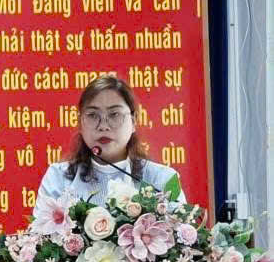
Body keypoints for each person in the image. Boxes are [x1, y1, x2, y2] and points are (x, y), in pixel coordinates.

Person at [33, 75, 182, 223]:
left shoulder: (161, 179)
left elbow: (181, 233)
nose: (103, 126)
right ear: (80, 123)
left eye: (114, 114)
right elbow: (40, 233)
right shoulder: (59, 177)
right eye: (92, 115)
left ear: (133, 121)